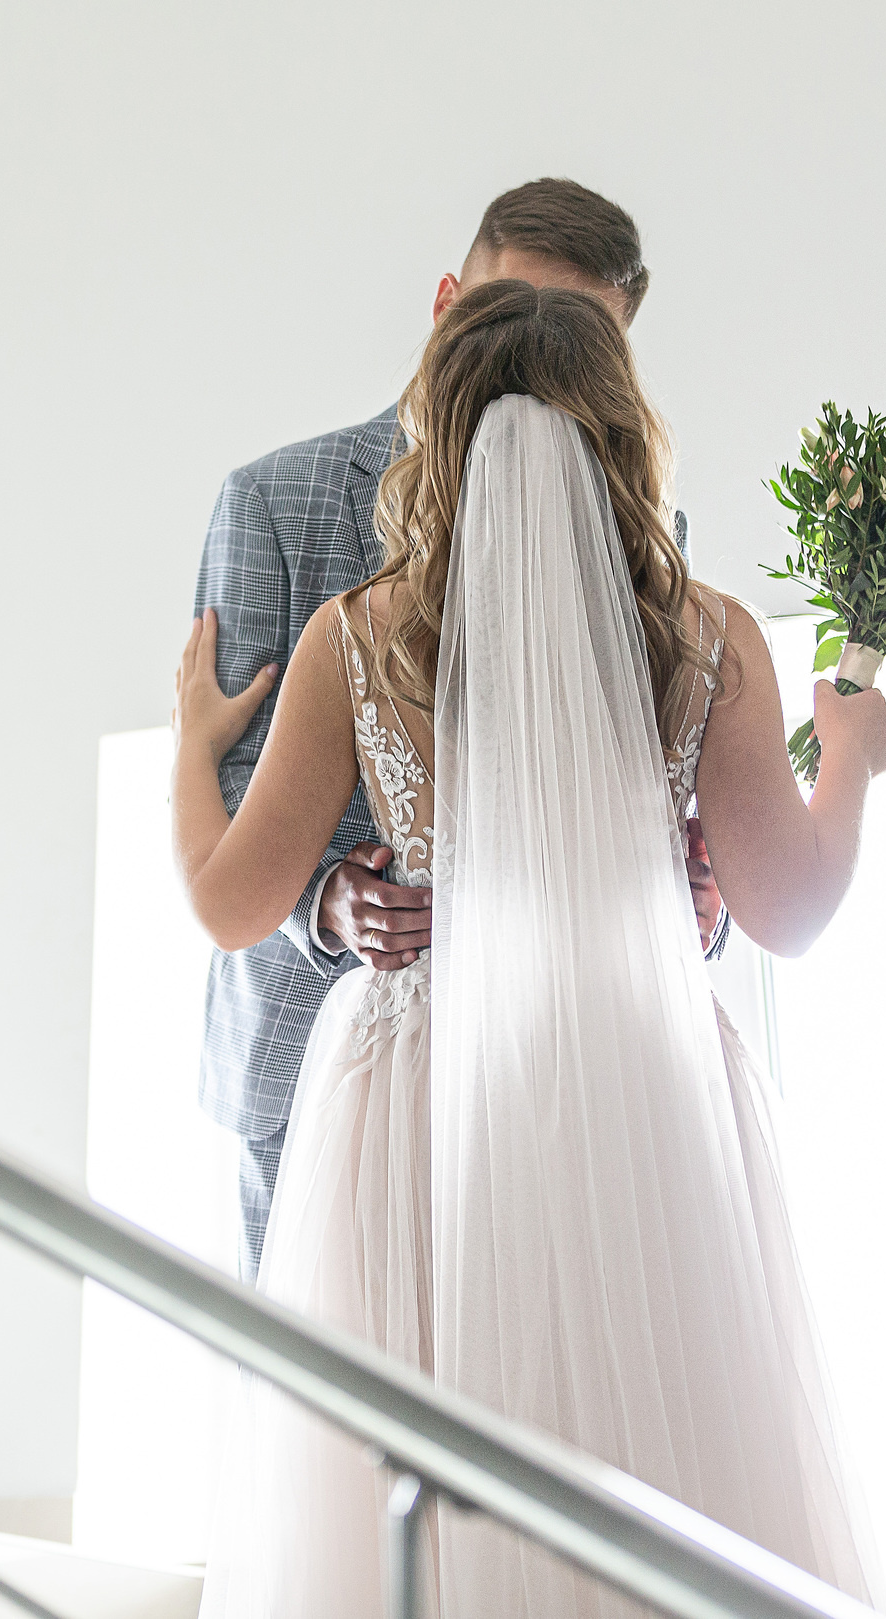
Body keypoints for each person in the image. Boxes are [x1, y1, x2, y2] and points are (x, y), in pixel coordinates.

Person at [173, 284, 886, 1615]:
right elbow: (792, 913)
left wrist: (193, 749)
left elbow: (230, 905)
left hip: (419, 1100)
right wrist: (852, 762)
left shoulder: (358, 636)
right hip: (639, 1077)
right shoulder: (707, 638)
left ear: (437, 436)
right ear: (623, 439)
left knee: (417, 1470)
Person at [190, 178, 719, 1283]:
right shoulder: (275, 501)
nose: (537, 359)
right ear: (445, 305)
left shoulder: (644, 535)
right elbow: (243, 807)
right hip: (329, 1067)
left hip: (570, 1064)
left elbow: (648, 783)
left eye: (579, 340)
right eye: (509, 312)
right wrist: (326, 901)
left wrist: (697, 897)